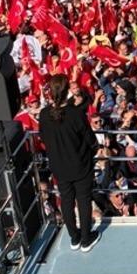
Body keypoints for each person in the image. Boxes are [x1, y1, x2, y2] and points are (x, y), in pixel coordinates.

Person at [39, 74, 98, 251]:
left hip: (59, 166)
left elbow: (43, 138)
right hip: (80, 164)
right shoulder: (75, 114)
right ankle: (86, 239)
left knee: (66, 200)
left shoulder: (43, 115)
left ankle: (74, 237)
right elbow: (90, 139)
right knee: (83, 200)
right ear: (67, 92)